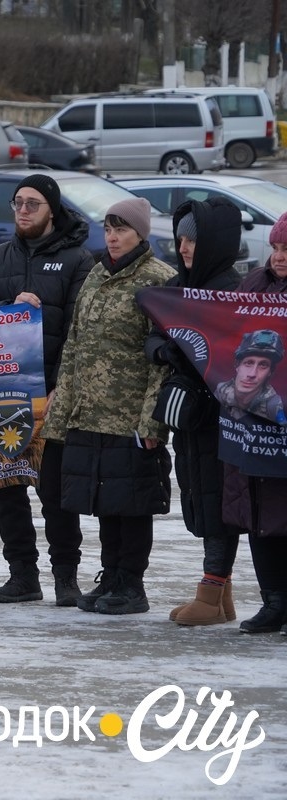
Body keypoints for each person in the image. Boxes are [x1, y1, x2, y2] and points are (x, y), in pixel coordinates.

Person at [0, 174, 93, 606]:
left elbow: (81, 332)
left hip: (53, 394)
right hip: (2, 395)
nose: (22, 210)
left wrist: (62, 388)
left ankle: (66, 578)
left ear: (51, 211)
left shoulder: (79, 261)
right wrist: (8, 308)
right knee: (5, 487)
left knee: (55, 493)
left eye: (32, 204)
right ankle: (22, 575)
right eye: (18, 203)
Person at [43, 196, 175, 615]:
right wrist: (62, 408)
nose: (113, 237)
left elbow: (165, 361)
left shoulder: (159, 280)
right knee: (103, 501)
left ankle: (131, 583)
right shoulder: (97, 275)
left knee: (132, 503)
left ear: (141, 234)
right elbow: (75, 344)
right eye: (109, 228)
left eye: (122, 230)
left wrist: (153, 421)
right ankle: (110, 575)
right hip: (89, 413)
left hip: (131, 416)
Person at [144, 198, 245, 626]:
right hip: (192, 416)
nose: (184, 248)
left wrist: (186, 350)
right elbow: (154, 339)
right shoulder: (182, 287)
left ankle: (211, 592)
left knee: (218, 502)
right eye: (180, 239)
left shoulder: (233, 291)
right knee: (201, 498)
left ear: (215, 244)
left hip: (224, 419)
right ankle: (220, 596)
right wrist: (167, 347)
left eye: (193, 240)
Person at [222, 211, 287, 633]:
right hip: (252, 427)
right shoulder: (253, 286)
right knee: (260, 514)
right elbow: (223, 332)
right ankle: (273, 601)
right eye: (277, 247)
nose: (279, 257)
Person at [216, 330, 285, 424]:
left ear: (270, 372)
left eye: (263, 365)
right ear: (237, 366)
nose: (252, 374)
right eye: (248, 363)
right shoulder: (221, 391)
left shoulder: (275, 406)